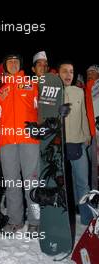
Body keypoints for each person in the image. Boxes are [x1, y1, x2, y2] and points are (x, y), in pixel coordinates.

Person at [0, 53, 40, 235]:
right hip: (7, 140)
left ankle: (36, 220)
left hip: (29, 139)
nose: (13, 64)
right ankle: (15, 220)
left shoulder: (31, 83)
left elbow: (44, 107)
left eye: (16, 61)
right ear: (5, 65)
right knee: (11, 181)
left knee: (32, 180)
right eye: (10, 61)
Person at [57, 61, 93, 225]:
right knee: (64, 184)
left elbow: (84, 116)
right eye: (64, 71)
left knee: (83, 184)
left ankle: (86, 219)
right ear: (58, 74)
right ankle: (66, 217)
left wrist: (87, 136)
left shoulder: (79, 92)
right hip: (60, 147)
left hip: (78, 144)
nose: (68, 74)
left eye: (71, 71)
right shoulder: (54, 92)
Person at [85, 65, 99, 189]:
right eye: (88, 72)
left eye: (92, 72)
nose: (89, 74)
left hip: (97, 132)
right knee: (93, 166)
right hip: (91, 134)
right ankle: (95, 194)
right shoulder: (85, 88)